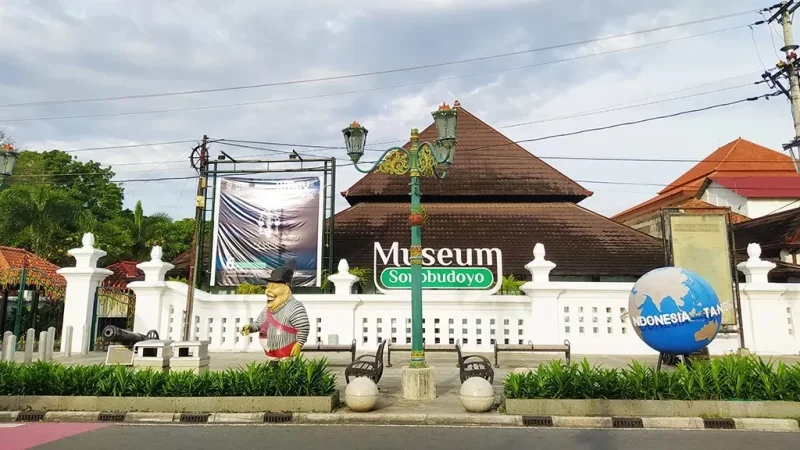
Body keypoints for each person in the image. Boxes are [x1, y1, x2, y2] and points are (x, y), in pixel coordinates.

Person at [239, 259, 310, 360]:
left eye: (273, 287)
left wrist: (299, 343)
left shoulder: (295, 307)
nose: (268, 291)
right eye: (267, 287)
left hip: (286, 351)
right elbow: (259, 323)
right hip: (270, 354)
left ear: (286, 289)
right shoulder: (267, 309)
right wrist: (250, 327)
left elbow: (303, 327)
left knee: (285, 373)